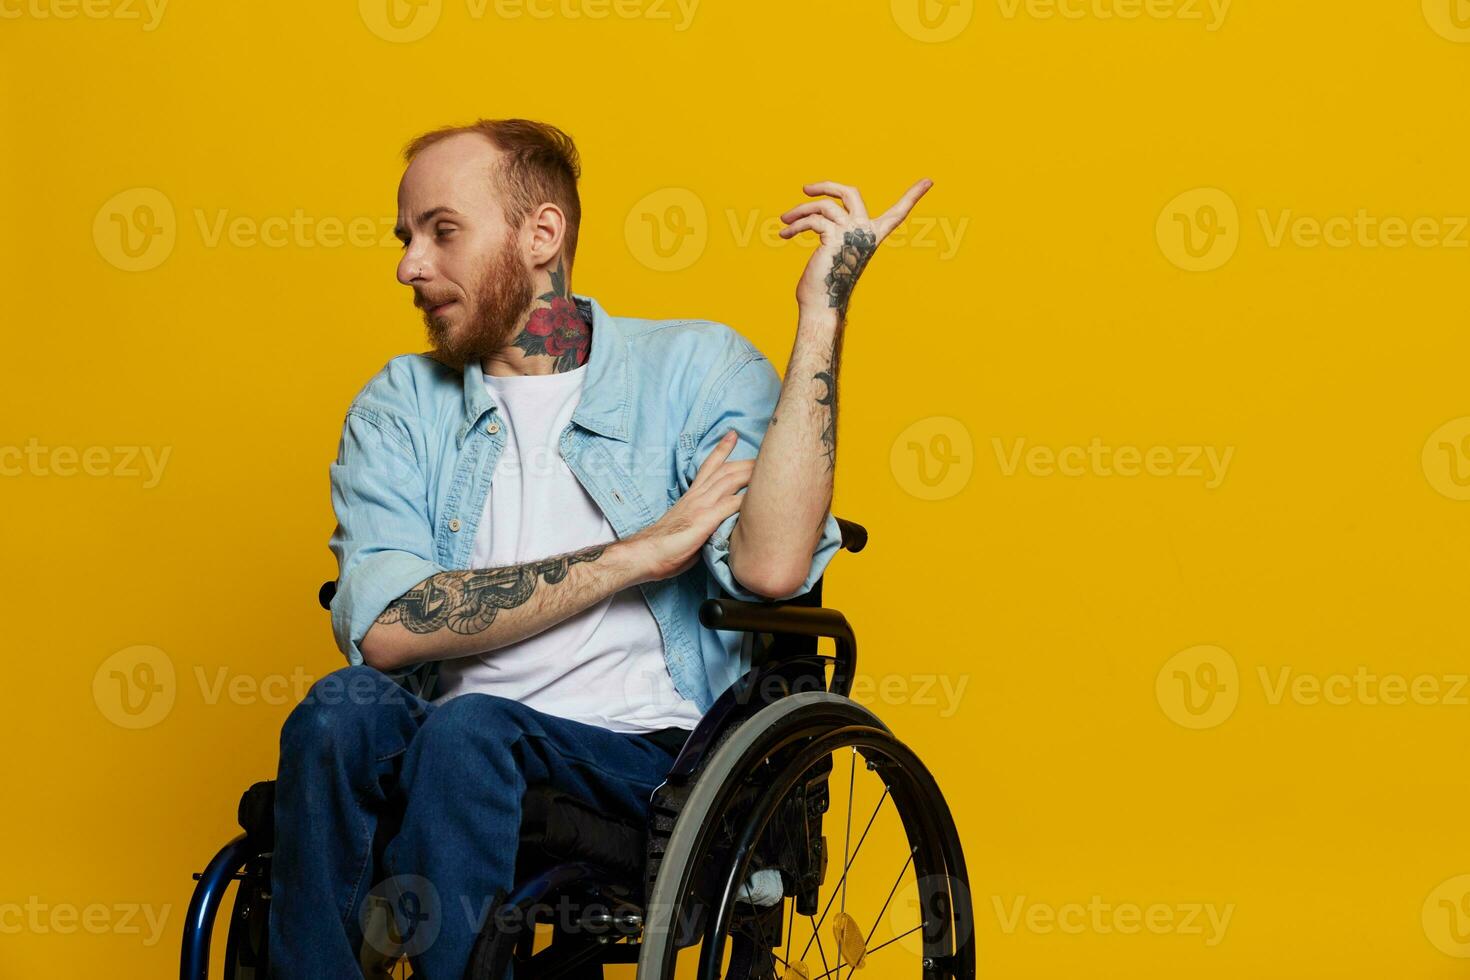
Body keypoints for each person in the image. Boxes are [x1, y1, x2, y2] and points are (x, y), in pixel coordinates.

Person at [268, 116, 931, 978]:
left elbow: (769, 568)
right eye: (406, 238)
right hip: (449, 744)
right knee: (336, 712)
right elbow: (390, 629)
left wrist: (822, 314)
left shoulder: (693, 370)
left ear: (541, 234)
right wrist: (638, 554)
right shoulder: (402, 405)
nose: (409, 266)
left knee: (471, 732)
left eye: (443, 231)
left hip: (641, 762)